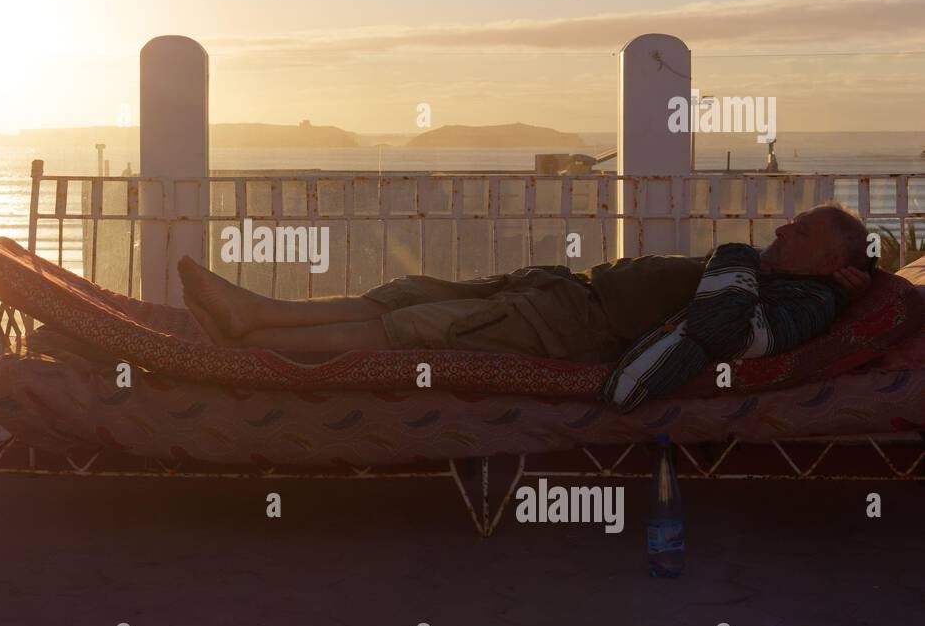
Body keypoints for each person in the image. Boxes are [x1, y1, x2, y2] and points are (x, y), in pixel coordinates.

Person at [178, 204, 877, 410]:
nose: (784, 228)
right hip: (563, 293)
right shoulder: (789, 277)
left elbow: (728, 332)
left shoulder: (802, 301)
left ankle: (250, 345)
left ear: (831, 261)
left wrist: (735, 253)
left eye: (803, 230)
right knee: (408, 293)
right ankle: (259, 311)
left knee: (413, 329)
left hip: (573, 328)